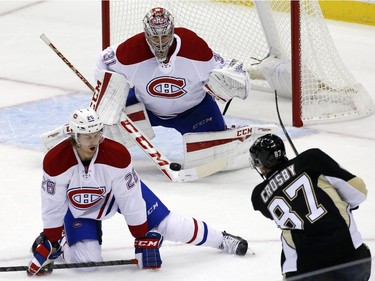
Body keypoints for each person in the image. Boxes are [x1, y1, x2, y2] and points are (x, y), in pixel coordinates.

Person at [27, 107, 249, 276]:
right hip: (80, 207)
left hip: (114, 197)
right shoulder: (56, 161)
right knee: (87, 264)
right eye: (88, 136)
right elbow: (52, 203)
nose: (94, 140)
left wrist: (141, 235)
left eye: (97, 133)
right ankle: (65, 242)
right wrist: (52, 239)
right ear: (75, 136)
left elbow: (129, 198)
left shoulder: (117, 155)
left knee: (169, 225)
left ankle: (222, 239)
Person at [94, 7, 250, 136]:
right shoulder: (130, 52)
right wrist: (111, 97)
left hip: (194, 111)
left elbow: (224, 67)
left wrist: (235, 78)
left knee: (217, 142)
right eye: (155, 37)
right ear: (147, 34)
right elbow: (103, 61)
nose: (161, 43)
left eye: (165, 36)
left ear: (172, 31)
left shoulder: (194, 48)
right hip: (145, 109)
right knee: (102, 127)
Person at [248, 134, 371, 281]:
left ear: (261, 165)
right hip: (351, 256)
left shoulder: (259, 196)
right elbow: (359, 191)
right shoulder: (311, 158)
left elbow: (296, 206)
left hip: (304, 270)